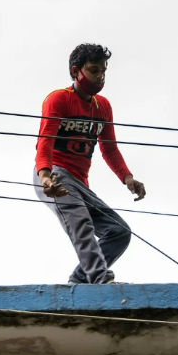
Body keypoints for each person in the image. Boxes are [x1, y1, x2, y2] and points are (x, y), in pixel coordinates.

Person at [34, 43, 146, 285]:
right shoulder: (59, 99)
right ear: (76, 71)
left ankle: (80, 279)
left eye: (103, 71)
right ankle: (100, 279)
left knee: (119, 231)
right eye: (94, 70)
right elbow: (44, 142)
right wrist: (45, 177)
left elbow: (110, 148)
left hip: (80, 184)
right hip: (56, 175)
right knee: (80, 222)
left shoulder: (103, 106)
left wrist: (128, 178)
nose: (100, 76)